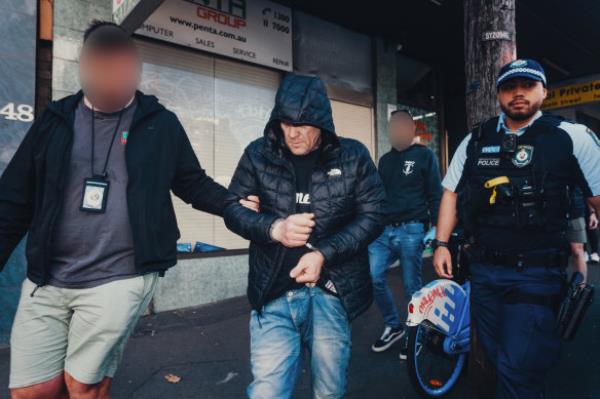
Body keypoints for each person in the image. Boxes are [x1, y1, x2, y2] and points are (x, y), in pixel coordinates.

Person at [0, 21, 257, 399]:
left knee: (82, 386)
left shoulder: (159, 123)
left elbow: (191, 182)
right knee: (32, 391)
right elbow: (14, 199)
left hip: (120, 274)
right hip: (49, 277)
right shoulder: (55, 121)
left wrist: (232, 203)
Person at [433, 59, 600, 399]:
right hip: (484, 272)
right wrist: (440, 244)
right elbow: (450, 193)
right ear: (498, 95)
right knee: (498, 358)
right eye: (510, 87)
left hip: (537, 273)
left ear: (544, 91)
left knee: (517, 366)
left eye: (528, 85)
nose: (518, 93)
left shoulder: (571, 137)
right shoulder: (476, 139)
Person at [224, 73, 385, 399]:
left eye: (304, 124)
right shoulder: (258, 154)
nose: (294, 133)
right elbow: (231, 209)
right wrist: (272, 228)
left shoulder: (353, 156)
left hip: (330, 292)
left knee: (328, 392)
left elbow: (375, 214)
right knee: (266, 393)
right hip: (273, 293)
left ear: (322, 124)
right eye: (285, 123)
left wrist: (323, 253)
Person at [368, 110, 442, 359]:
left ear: (412, 129)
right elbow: (378, 196)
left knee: (412, 286)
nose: (397, 130)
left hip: (412, 229)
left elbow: (435, 194)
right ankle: (394, 325)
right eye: (393, 126)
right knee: (373, 275)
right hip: (384, 230)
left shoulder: (425, 155)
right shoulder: (385, 161)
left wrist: (436, 229)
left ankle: (416, 333)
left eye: (402, 125)